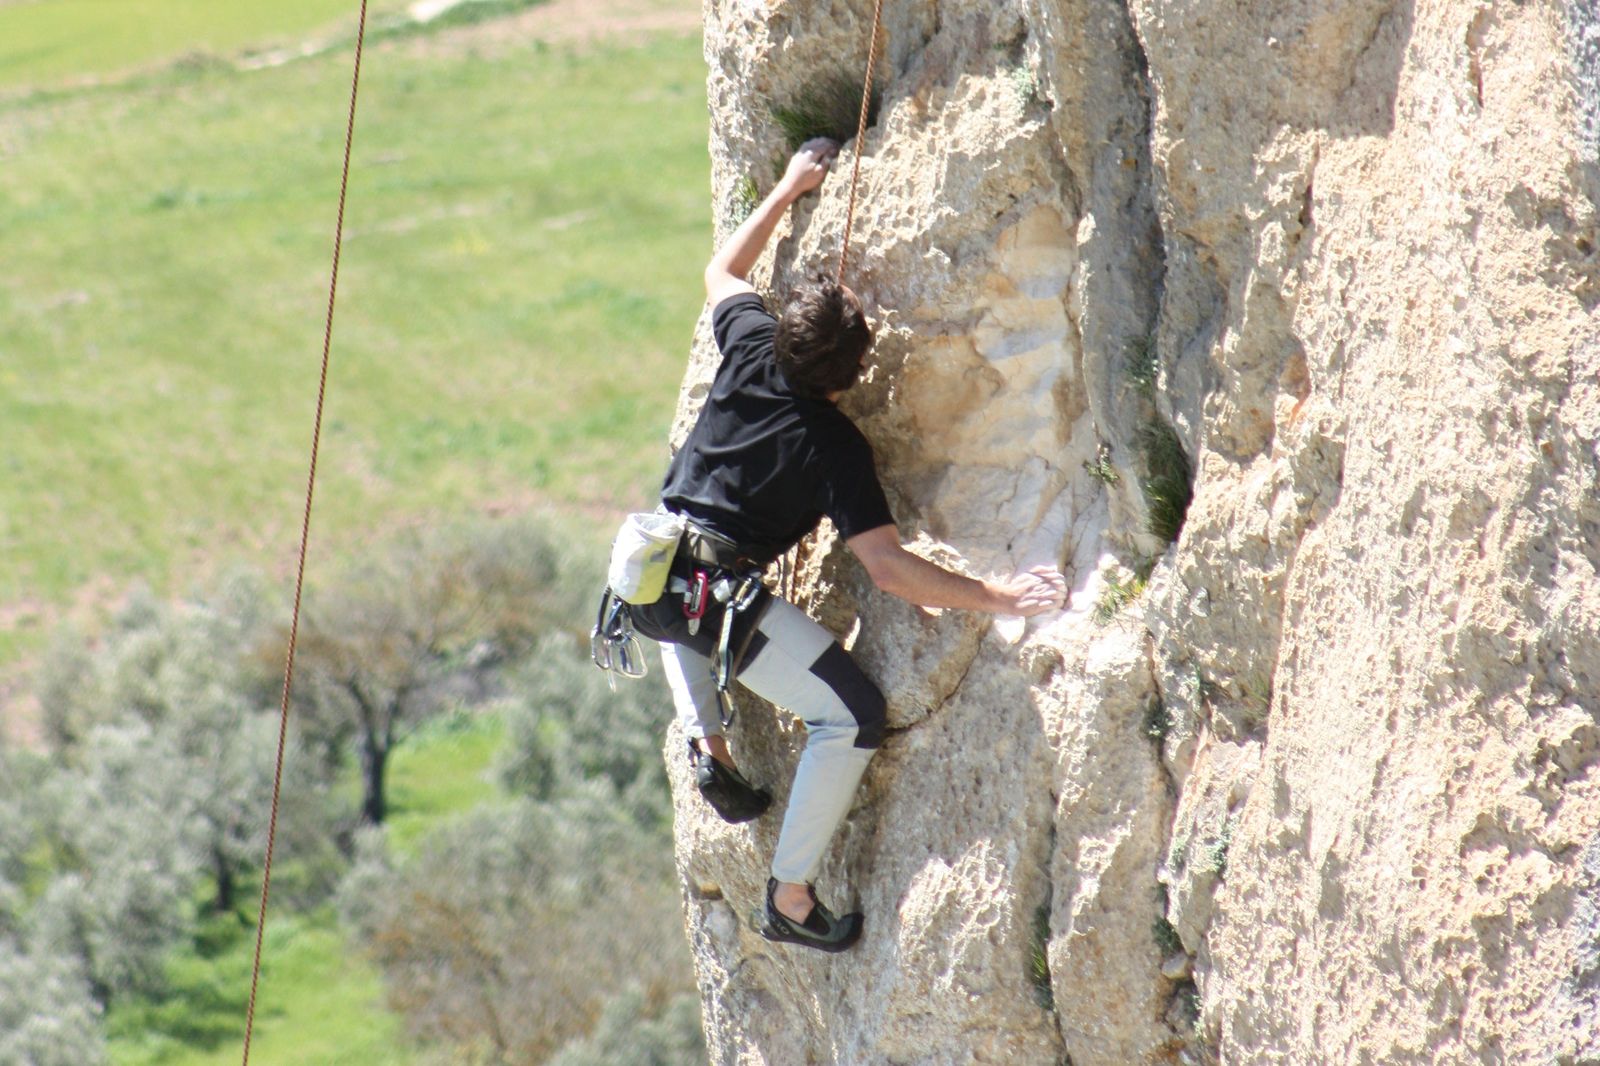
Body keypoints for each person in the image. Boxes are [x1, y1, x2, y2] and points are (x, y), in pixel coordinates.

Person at [646, 137, 1067, 952]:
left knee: (676, 599)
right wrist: (996, 597)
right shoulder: (834, 445)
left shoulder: (749, 346)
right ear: (848, 377)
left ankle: (709, 739)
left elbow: (722, 275)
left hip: (652, 565)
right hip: (713, 601)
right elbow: (886, 566)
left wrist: (788, 188)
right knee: (851, 715)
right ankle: (790, 893)